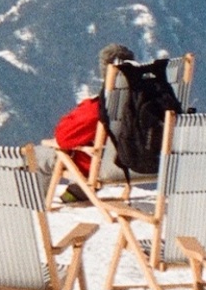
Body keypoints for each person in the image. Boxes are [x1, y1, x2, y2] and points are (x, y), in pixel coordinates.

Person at [37, 43, 136, 203]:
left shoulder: (102, 108)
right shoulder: (150, 105)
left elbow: (63, 137)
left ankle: (34, 204)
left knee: (40, 155)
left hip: (100, 167)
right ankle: (77, 193)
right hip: (141, 165)